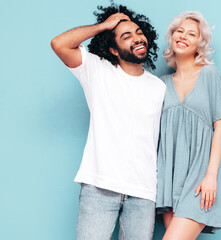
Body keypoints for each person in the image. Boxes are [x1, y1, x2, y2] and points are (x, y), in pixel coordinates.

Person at [50, 4, 165, 240]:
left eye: (138, 32)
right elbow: (59, 43)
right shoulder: (97, 71)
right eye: (126, 36)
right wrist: (104, 25)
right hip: (99, 188)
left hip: (143, 193)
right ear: (113, 49)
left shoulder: (159, 87)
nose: (137, 38)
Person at [156, 11, 221, 240]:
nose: (183, 36)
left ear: (199, 45)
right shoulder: (161, 85)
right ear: (171, 37)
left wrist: (211, 176)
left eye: (191, 34)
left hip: (200, 179)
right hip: (169, 181)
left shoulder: (210, 75)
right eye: (179, 31)